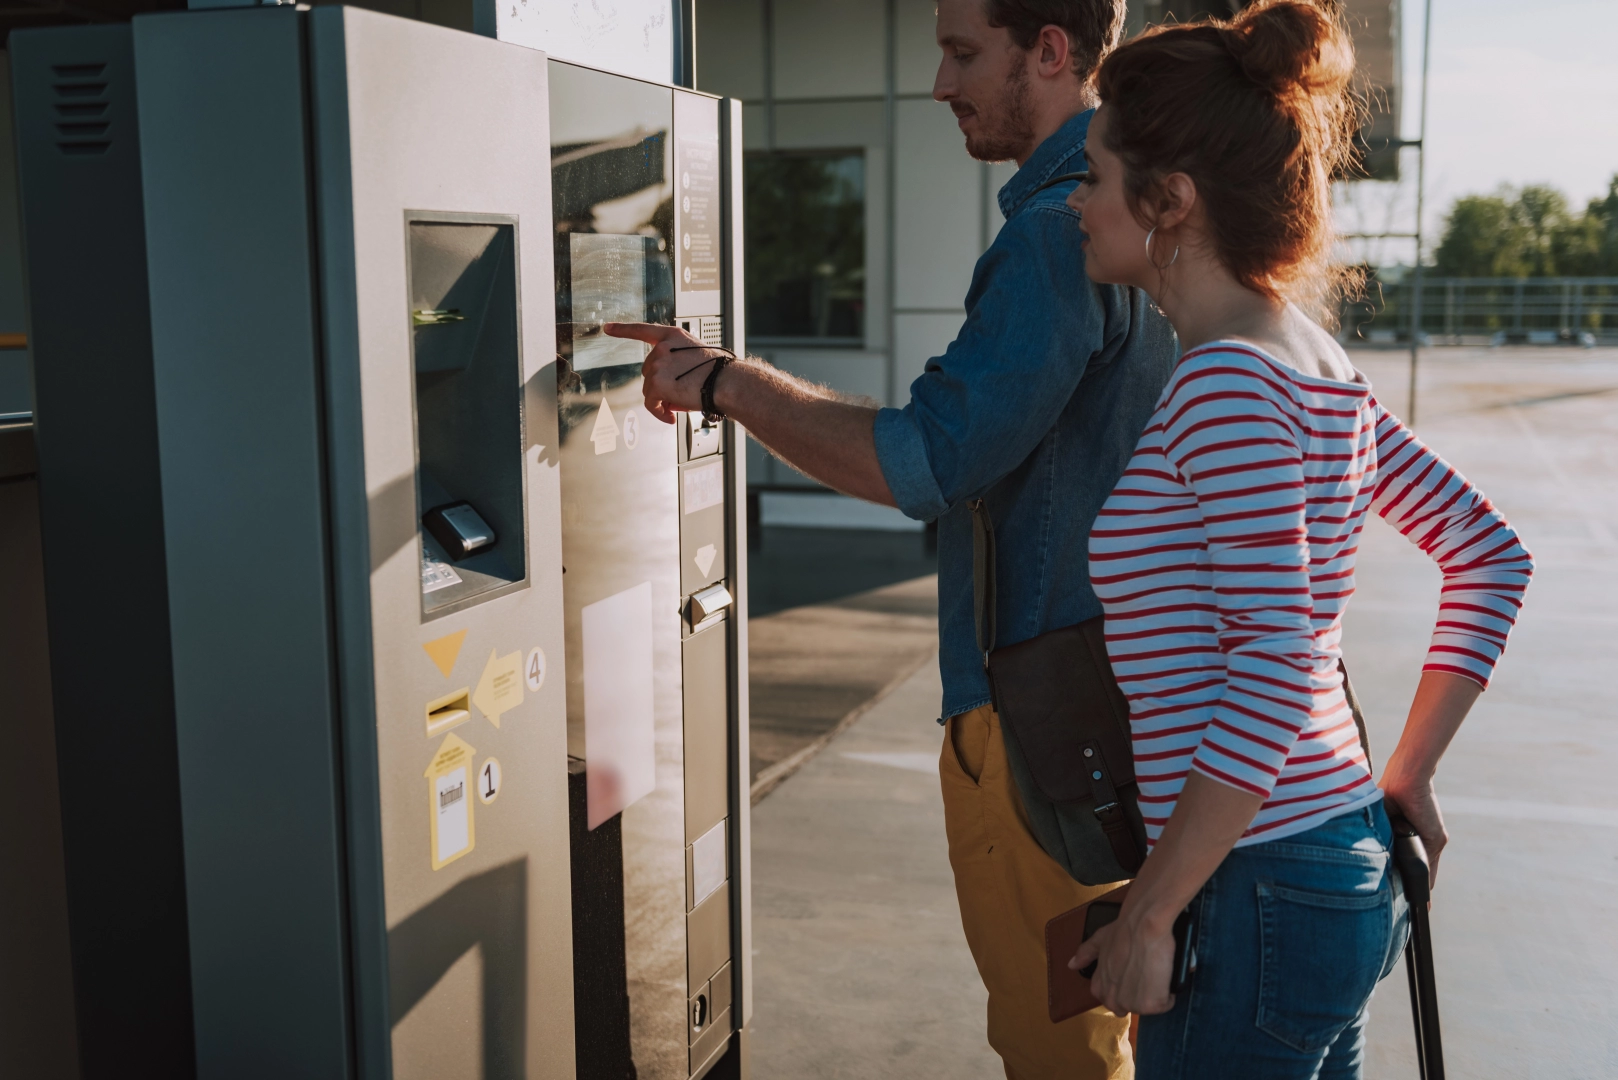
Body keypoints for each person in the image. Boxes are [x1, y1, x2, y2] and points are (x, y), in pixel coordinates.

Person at [606, 1, 1177, 1075]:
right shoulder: (1158, 216)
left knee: (1058, 1046)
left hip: (1041, 733)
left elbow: (921, 460)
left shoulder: (1059, 235)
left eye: (964, 53)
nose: (939, 84)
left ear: (1050, 51)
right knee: (1107, 1027)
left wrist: (726, 383)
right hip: (1119, 710)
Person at [1066, 2, 1534, 1077]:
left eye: (1091, 176)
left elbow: (1273, 662)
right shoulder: (1310, 360)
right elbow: (1488, 551)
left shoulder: (1228, 380)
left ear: (1169, 199)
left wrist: (1150, 916)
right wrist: (1402, 773)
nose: (1075, 205)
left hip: (1255, 883)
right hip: (1315, 863)